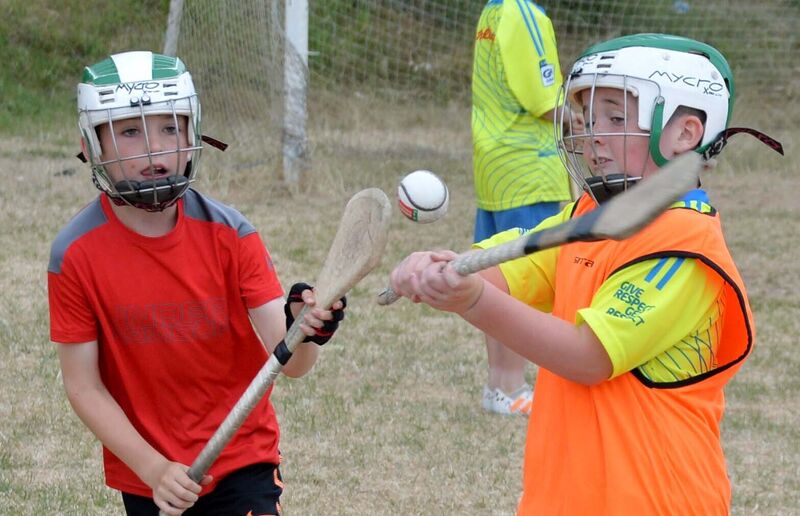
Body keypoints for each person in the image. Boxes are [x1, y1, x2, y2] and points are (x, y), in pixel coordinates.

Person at [390, 34, 782, 514]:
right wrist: (439, 271)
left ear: (686, 133)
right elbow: (509, 271)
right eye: (588, 118)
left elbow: (588, 356)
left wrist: (472, 301)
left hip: (656, 502)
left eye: (616, 117)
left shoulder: (685, 248)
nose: (594, 134)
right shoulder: (590, 214)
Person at [48, 51, 346, 516]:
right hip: (149, 475)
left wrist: (305, 329)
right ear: (90, 144)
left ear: (193, 135)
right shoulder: (74, 255)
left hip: (241, 460)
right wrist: (152, 469)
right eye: (130, 130)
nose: (156, 147)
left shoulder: (232, 234)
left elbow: (291, 364)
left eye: (170, 127)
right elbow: (83, 387)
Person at [471, 0, 572, 415]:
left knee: (494, 276)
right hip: (530, 168)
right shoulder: (525, 13)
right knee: (521, 282)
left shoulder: (492, 11)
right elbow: (545, 99)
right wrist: (596, 124)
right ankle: (512, 388)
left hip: (495, 165)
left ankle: (500, 386)